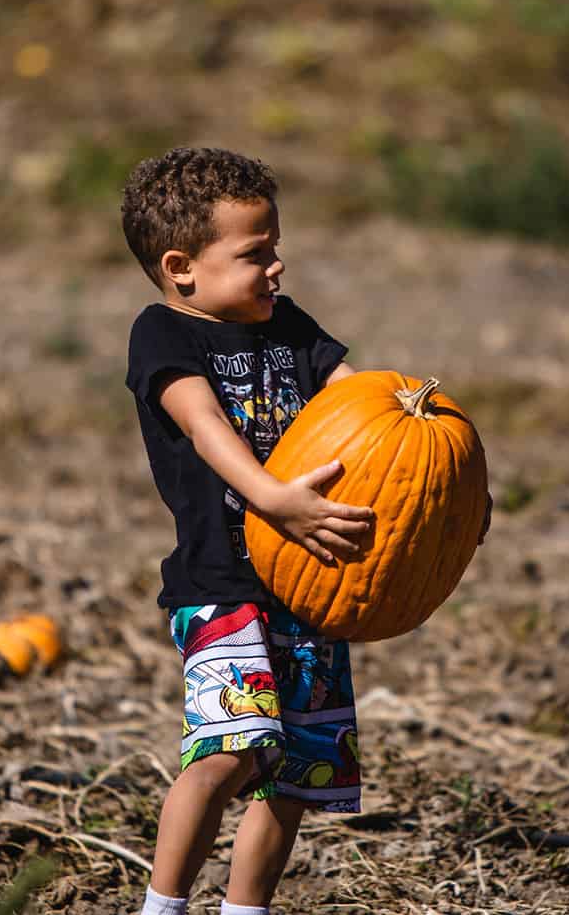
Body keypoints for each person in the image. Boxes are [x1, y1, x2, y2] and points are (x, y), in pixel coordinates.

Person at [121, 146, 379, 915]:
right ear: (183, 266)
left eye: (276, 247)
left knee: (297, 770)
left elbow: (363, 406)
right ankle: (162, 906)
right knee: (229, 749)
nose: (277, 266)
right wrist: (274, 497)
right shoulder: (163, 335)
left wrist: (452, 487)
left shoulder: (291, 328)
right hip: (220, 586)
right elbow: (204, 425)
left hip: (308, 588)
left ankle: (246, 910)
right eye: (255, 253)